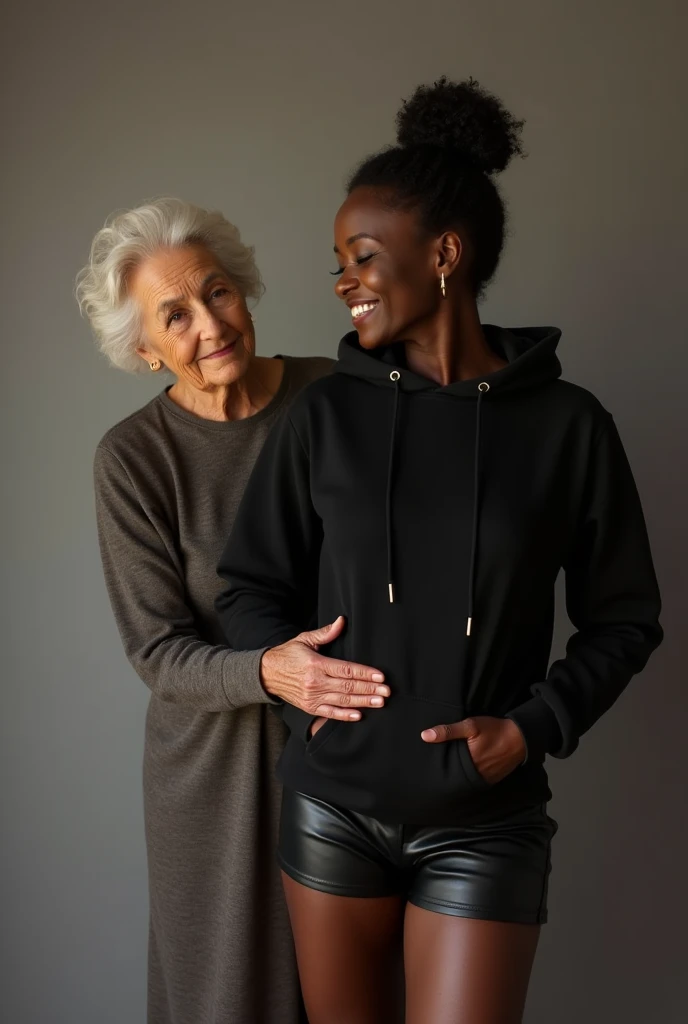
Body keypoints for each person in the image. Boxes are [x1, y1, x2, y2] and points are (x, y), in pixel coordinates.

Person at [215, 80, 663, 1024]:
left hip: (484, 825)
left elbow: (624, 619)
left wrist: (534, 727)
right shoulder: (327, 416)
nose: (344, 281)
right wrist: (288, 673)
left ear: (446, 254)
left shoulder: (568, 427)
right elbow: (250, 584)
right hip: (330, 806)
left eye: (364, 257)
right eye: (339, 261)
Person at [77, 197, 391, 1024]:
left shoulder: (336, 392)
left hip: (351, 749)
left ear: (244, 292)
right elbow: (157, 650)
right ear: (145, 350)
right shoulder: (134, 460)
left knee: (358, 995)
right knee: (228, 996)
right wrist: (270, 669)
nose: (208, 324)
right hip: (214, 777)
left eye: (217, 292)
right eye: (174, 315)